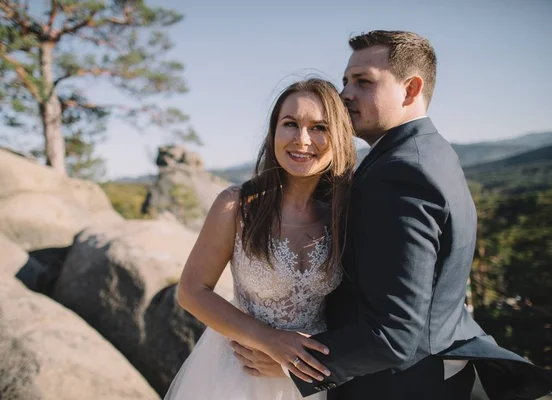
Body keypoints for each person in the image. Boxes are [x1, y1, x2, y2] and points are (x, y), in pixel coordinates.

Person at [233, 30, 552, 399]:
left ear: (410, 90)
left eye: (363, 82)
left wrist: (297, 365)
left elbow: (395, 332)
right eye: (345, 81)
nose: (345, 94)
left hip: (399, 386)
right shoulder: (430, 151)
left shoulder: (400, 174)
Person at [163, 78, 356, 400]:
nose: (302, 139)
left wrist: (297, 362)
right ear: (273, 132)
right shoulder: (237, 205)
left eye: (319, 127)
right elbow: (192, 291)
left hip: (312, 379)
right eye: (290, 124)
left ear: (340, 136)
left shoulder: (347, 213)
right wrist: (270, 342)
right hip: (239, 374)